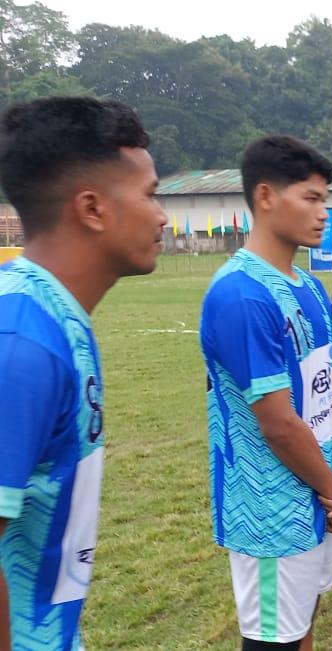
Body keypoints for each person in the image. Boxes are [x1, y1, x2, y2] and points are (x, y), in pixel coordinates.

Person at [0, 97, 165, 650]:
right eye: (150, 195)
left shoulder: (56, 318)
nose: (162, 215)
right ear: (92, 208)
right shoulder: (22, 343)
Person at [200, 135, 332, 650]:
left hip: (320, 493)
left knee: (303, 625)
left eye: (326, 201)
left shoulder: (308, 284)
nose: (324, 214)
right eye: (311, 199)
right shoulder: (241, 294)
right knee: (274, 641)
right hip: (270, 510)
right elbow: (278, 424)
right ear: (266, 197)